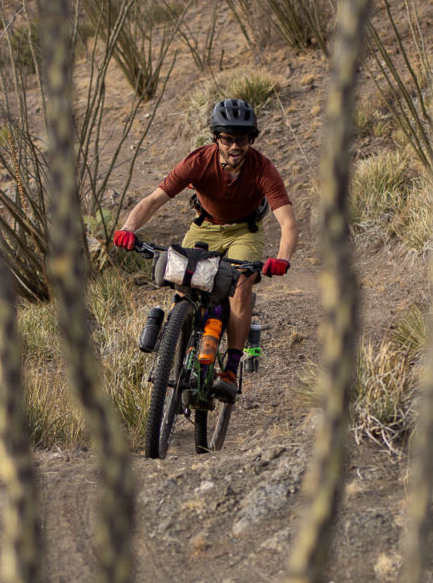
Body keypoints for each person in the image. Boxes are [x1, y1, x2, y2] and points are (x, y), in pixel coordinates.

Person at [111, 97, 295, 389]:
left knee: (241, 284)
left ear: (252, 139)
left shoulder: (262, 169)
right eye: (228, 138)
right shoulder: (198, 161)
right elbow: (155, 200)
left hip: (244, 231)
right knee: (183, 279)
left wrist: (282, 258)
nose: (235, 146)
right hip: (205, 226)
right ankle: (179, 343)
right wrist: (128, 228)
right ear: (216, 137)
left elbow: (287, 221)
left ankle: (230, 370)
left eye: (243, 139)